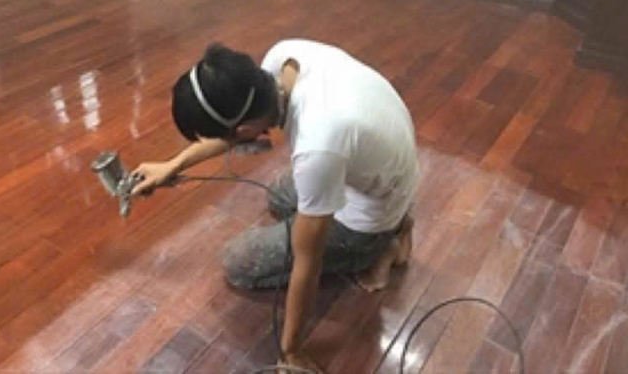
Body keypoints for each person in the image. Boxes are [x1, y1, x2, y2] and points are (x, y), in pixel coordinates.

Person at [132, 39, 420, 372]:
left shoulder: (318, 145)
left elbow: (307, 262)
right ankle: (394, 223)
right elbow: (240, 135)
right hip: (381, 164)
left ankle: (383, 242)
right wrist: (173, 165)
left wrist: (291, 351)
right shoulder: (283, 58)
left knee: (240, 262)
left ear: (245, 129)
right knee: (280, 195)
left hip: (370, 209)